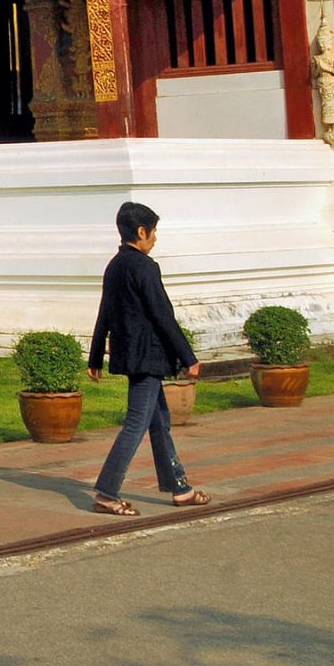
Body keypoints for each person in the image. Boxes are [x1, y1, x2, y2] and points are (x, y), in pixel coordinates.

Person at [88, 200, 211, 516]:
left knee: (159, 422)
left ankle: (180, 488)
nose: (155, 238)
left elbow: (105, 313)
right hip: (148, 357)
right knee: (136, 423)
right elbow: (162, 315)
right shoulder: (144, 267)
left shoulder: (115, 265)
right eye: (154, 231)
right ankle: (106, 492)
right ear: (141, 231)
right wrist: (188, 357)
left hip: (132, 355)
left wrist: (95, 356)